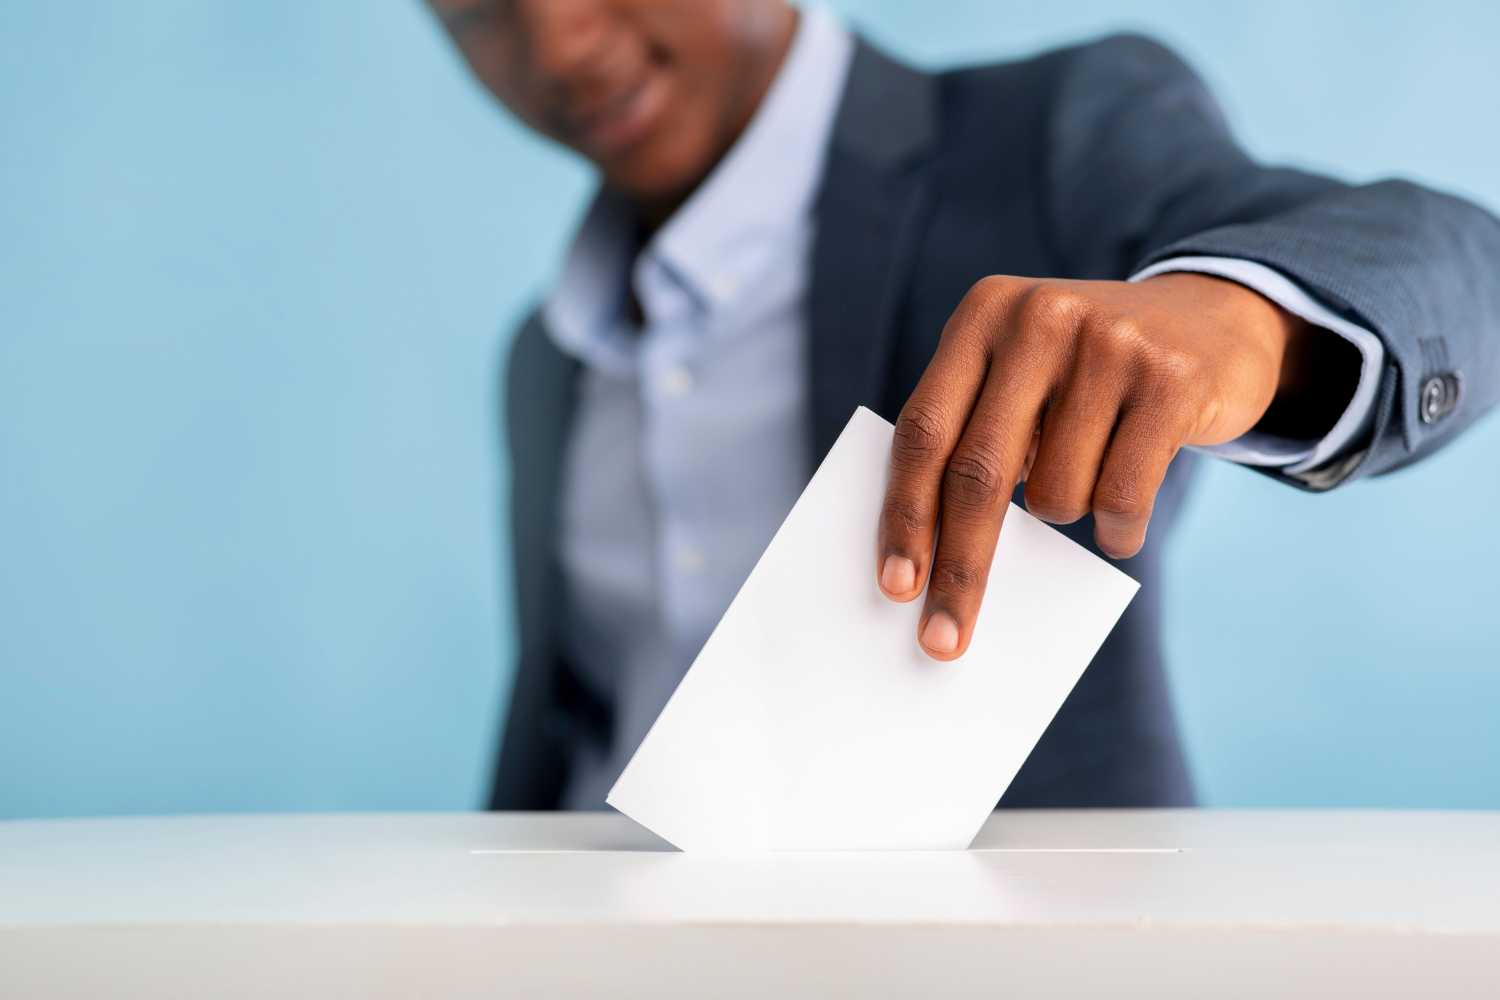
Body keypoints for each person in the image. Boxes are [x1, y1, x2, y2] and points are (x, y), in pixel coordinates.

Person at [427, 0, 1500, 810]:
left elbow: (1464, 265)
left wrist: (1245, 319)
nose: (558, 45)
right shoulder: (547, 359)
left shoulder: (1045, 140)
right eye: (474, 7)